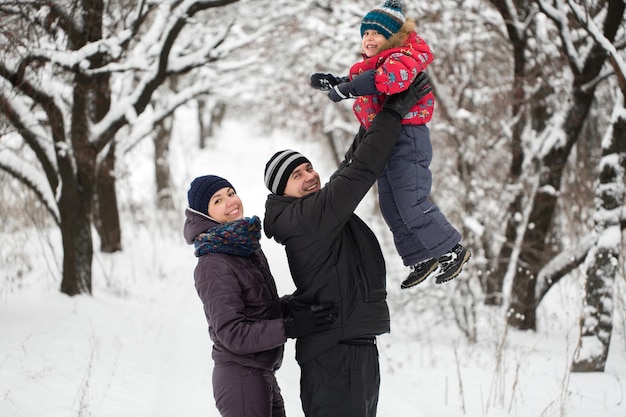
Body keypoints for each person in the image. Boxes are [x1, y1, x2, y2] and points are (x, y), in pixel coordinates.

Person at [262, 74, 430, 417]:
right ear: (283, 192)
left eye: (308, 168)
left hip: (350, 348)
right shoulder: (310, 217)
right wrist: (394, 113)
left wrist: (376, 113)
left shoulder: (312, 211)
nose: (310, 176)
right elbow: (361, 170)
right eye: (296, 176)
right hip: (337, 356)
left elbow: (349, 166)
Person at [310, 0, 470, 288]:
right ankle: (421, 256)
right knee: (390, 206)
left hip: (408, 139)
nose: (369, 38)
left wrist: (346, 89)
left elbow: (387, 81)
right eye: (365, 33)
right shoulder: (378, 63)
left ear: (393, 37)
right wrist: (338, 81)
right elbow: (368, 79)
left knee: (411, 201)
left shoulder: (405, 57)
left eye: (376, 33)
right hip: (384, 141)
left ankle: (451, 250)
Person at [183, 175, 338, 417]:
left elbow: (261, 308)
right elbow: (232, 333)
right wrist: (290, 328)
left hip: (260, 372)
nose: (231, 202)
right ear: (205, 214)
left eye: (231, 193)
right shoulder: (213, 263)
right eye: (218, 200)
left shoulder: (244, 248)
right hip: (241, 377)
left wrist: (297, 305)